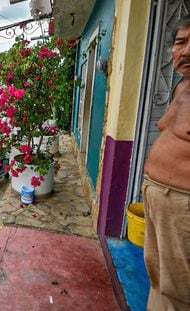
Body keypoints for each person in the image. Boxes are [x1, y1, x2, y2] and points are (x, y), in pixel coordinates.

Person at [142, 14, 190, 310]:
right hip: (160, 200)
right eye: (180, 42)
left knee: (180, 292)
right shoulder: (183, 87)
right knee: (161, 281)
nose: (185, 51)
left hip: (182, 205)